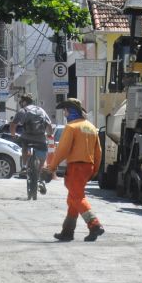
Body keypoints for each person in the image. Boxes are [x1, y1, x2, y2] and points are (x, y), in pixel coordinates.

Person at [41, 98, 104, 242]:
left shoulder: (71, 127)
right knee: (73, 199)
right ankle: (67, 232)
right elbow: (98, 151)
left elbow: (62, 150)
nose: (65, 113)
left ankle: (94, 225)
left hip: (76, 167)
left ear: (71, 111)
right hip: (88, 166)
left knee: (77, 198)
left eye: (66, 111)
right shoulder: (91, 127)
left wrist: (51, 168)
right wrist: (95, 170)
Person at [10, 93, 53, 179]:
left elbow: (13, 125)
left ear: (24, 102)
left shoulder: (23, 110)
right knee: (43, 155)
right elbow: (49, 125)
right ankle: (41, 171)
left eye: (21, 102)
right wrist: (49, 134)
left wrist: (13, 135)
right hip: (40, 138)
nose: (21, 104)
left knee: (25, 147)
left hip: (27, 137)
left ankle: (24, 166)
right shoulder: (41, 110)